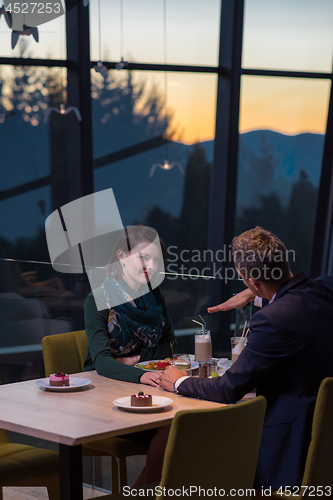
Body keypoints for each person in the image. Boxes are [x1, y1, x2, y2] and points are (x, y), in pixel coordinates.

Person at [159, 226, 333, 489]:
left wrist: (179, 382)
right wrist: (260, 293)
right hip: (324, 449)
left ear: (249, 280)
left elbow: (228, 390)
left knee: (201, 456)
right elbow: (308, 286)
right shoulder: (325, 291)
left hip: (288, 453)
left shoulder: (271, 320)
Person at [84, 225, 177, 486]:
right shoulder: (98, 299)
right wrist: (143, 372)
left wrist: (134, 359)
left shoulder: (154, 294)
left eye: (156, 259)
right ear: (122, 257)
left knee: (188, 426)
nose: (151, 265)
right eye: (143, 257)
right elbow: (101, 362)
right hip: (106, 397)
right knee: (174, 428)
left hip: (148, 389)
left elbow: (170, 344)